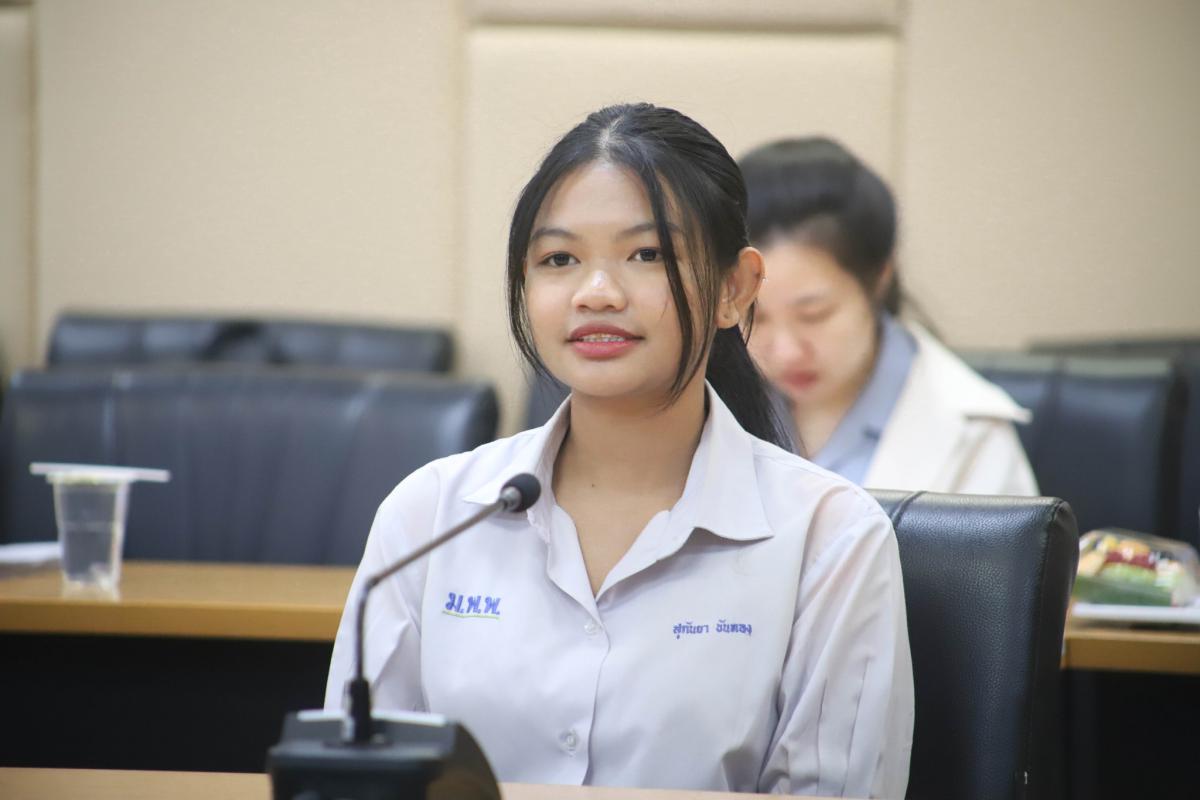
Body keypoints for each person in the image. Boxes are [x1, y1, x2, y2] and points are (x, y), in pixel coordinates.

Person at [326, 104, 913, 797]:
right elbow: (358, 781)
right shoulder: (432, 514)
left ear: (734, 289)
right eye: (559, 259)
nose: (596, 293)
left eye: (647, 255)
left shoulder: (830, 537)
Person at [739, 137, 1038, 495]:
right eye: (755, 316)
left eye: (814, 314)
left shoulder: (973, 435)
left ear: (879, 278)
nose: (786, 352)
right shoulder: (697, 405)